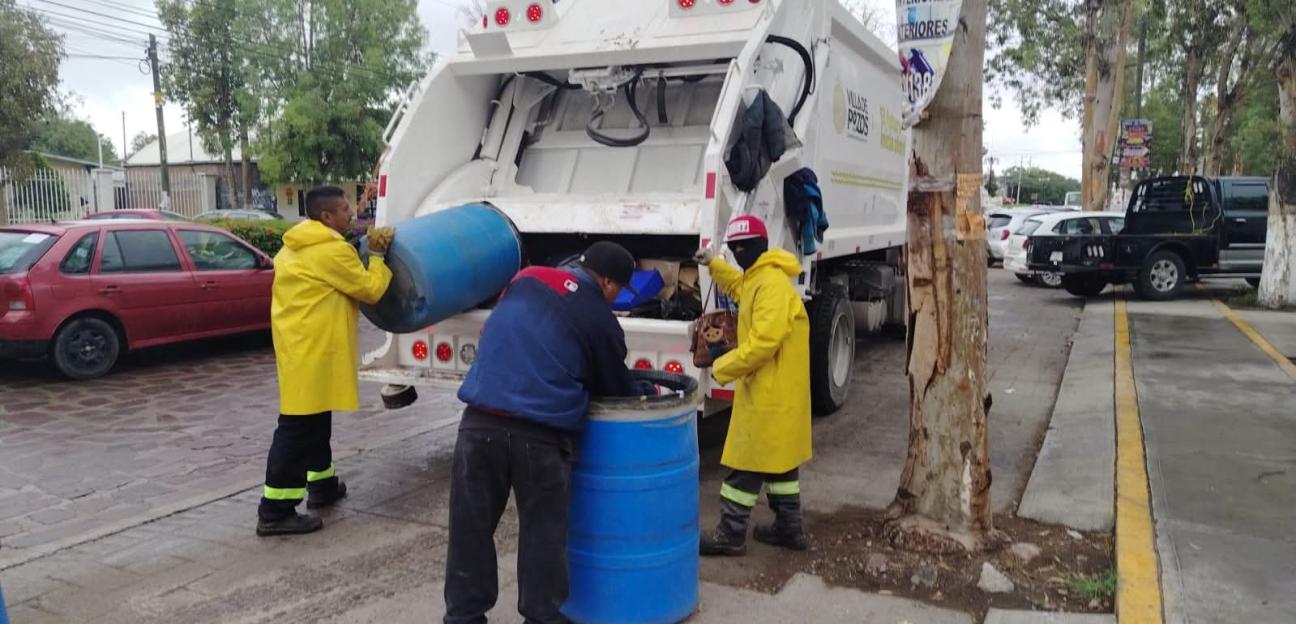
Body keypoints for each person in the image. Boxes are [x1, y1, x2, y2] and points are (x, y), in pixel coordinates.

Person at [444, 241, 656, 624]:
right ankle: (542, 617)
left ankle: (463, 616)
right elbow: (615, 389)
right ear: (607, 281)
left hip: (478, 424)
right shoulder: (598, 317)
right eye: (617, 291)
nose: (615, 300)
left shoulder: (526, 279)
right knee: (543, 534)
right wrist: (648, 390)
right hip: (540, 434)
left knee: (469, 529)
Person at [256, 185, 395, 537]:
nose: (352, 213)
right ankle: (275, 510)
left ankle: (323, 485)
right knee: (298, 427)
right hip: (314, 346)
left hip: (300, 344)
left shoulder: (297, 244)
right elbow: (370, 290)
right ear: (327, 217)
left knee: (315, 416)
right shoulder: (331, 251)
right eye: (345, 209)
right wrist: (378, 256)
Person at [694, 214, 812, 556]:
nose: (739, 252)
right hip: (779, 391)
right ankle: (790, 528)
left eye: (743, 247)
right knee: (781, 461)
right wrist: (715, 264)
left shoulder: (771, 285)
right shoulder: (760, 276)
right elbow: (739, 286)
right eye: (735, 248)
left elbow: (764, 341)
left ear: (759, 247)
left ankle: (729, 535)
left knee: (747, 464)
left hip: (770, 392)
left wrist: (723, 365)